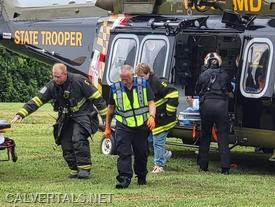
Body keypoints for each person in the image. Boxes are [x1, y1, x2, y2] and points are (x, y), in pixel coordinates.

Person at [11, 63, 107, 179]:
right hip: (66, 118)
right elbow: (37, 100)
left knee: (77, 138)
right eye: (54, 76)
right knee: (65, 142)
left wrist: (105, 118)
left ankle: (84, 169)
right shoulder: (51, 85)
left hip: (84, 116)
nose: (55, 79)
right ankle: (74, 169)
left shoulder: (79, 81)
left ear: (65, 74)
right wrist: (21, 114)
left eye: (58, 77)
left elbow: (97, 98)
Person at [104, 64, 156, 189]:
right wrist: (107, 127)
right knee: (124, 153)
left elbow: (151, 103)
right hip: (123, 126)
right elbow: (110, 109)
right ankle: (124, 179)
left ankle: (141, 176)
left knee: (141, 153)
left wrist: (152, 116)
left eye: (126, 78)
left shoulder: (143, 84)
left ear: (132, 75)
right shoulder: (115, 88)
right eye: (122, 78)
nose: (124, 81)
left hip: (141, 126)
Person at [135, 63, 179, 173]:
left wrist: (169, 112)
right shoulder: (143, 83)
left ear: (148, 73)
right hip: (153, 118)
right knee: (150, 140)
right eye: (138, 76)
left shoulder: (156, 82)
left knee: (157, 141)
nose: (140, 79)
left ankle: (159, 165)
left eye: (142, 76)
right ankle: (164, 154)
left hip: (163, 119)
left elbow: (173, 94)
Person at [195, 52, 232, 174]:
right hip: (221, 106)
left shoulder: (204, 74)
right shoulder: (225, 74)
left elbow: (197, 89)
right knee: (222, 136)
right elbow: (230, 89)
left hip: (207, 105)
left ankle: (203, 165)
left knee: (205, 135)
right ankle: (225, 167)